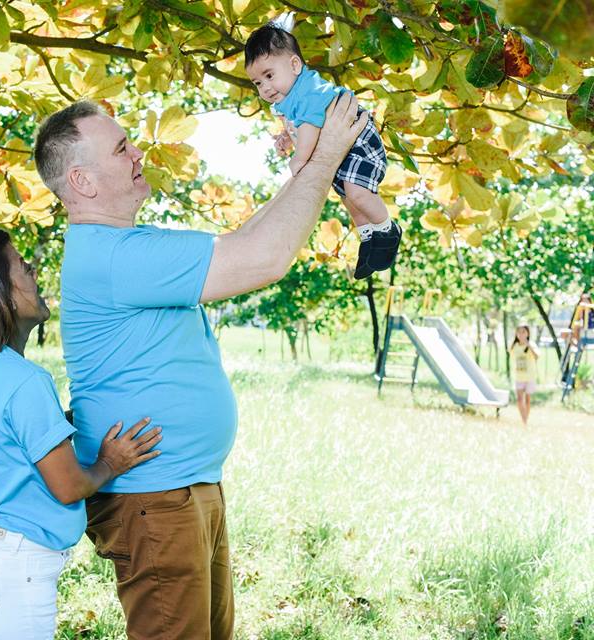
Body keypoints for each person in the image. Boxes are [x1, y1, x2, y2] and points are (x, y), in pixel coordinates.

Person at [33, 93, 366, 638]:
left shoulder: (127, 246)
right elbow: (264, 258)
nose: (138, 151)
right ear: (83, 182)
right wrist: (326, 157)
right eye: (121, 148)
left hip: (180, 489)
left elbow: (245, 241)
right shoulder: (114, 257)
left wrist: (306, 167)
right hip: (154, 499)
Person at [0, 226, 162, 640]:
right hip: (10, 574)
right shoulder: (25, 380)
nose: (35, 273)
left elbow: (9, 444)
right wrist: (110, 462)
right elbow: (68, 486)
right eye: (24, 266)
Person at [244, 21, 402, 280]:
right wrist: (286, 137)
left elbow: (310, 128)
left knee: (358, 194)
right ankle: (368, 240)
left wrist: (300, 158)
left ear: (295, 65)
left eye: (269, 76)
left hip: (358, 138)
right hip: (341, 146)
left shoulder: (308, 90)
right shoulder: (287, 99)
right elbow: (297, 128)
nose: (265, 88)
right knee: (349, 200)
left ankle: (387, 230)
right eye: (258, 83)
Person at [509, 324, 539, 425]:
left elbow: (537, 356)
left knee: (527, 400)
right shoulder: (514, 346)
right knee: (519, 400)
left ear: (528, 333)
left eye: (523, 332)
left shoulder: (531, 345)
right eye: (519, 332)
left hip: (530, 376)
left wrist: (529, 345)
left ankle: (525, 420)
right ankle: (524, 420)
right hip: (519, 377)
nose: (521, 334)